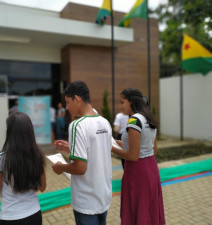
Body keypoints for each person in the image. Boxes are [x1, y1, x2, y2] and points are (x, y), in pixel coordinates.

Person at [52, 81, 112, 225]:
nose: (66, 107)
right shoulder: (104, 122)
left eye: (67, 102)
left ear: (77, 98)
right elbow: (98, 150)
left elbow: (80, 168)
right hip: (103, 196)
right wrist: (71, 148)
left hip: (86, 200)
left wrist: (60, 167)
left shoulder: (77, 125)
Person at [0, 112, 46, 225]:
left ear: (9, 132)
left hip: (10, 217)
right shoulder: (37, 155)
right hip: (34, 215)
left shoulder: (1, 160)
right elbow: (42, 187)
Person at [112, 88, 165, 225]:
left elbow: (133, 156)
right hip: (151, 167)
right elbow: (152, 148)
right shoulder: (148, 117)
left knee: (138, 207)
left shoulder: (134, 121)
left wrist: (111, 148)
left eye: (122, 102)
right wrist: (123, 144)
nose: (120, 106)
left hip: (137, 171)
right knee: (148, 207)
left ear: (132, 102)